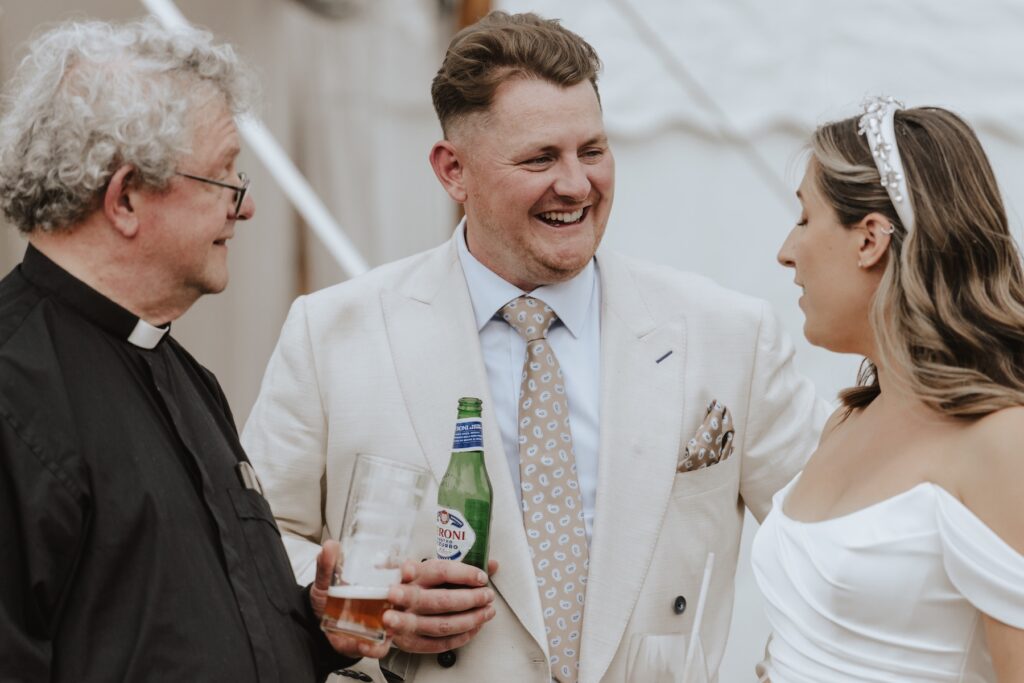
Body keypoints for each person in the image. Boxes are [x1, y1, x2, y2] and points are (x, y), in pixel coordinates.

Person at [242, 11, 825, 683]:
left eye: (594, 150)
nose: (577, 184)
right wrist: (345, 594)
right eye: (540, 158)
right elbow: (256, 540)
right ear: (452, 170)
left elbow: (831, 547)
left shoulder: (728, 333)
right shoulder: (331, 332)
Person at [0, 18, 440, 681]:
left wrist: (312, 623)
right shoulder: (13, 389)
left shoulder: (183, 373)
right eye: (226, 179)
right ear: (125, 199)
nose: (248, 207)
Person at [753, 97, 1024, 682]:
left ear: (870, 239)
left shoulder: (1001, 441)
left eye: (804, 218)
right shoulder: (846, 422)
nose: (786, 252)